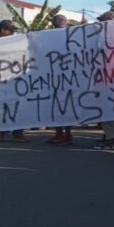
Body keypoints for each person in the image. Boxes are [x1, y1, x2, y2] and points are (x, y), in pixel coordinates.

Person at [0, 20, 30, 143]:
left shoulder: (16, 42)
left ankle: (17, 132)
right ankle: (0, 133)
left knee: (16, 105)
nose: (12, 33)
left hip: (14, 80)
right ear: (3, 30)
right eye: (10, 30)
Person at [93, 11, 114, 150]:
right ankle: (109, 137)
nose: (101, 23)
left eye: (104, 20)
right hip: (105, 76)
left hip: (113, 78)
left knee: (111, 109)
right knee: (106, 109)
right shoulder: (105, 35)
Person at [46, 15, 74, 145]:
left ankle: (59, 134)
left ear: (52, 25)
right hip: (71, 78)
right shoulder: (73, 35)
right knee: (67, 107)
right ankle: (67, 134)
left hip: (55, 77)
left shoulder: (48, 37)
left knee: (56, 107)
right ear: (66, 23)